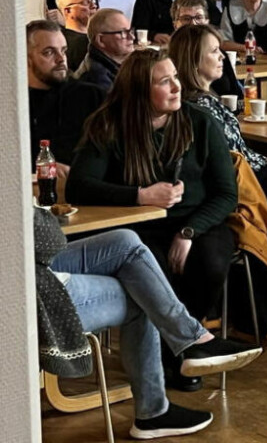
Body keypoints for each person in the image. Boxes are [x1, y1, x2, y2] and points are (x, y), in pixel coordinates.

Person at [66, 49, 239, 388]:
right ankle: (180, 353)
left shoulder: (200, 122)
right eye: (164, 81)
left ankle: (183, 349)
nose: (177, 86)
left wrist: (189, 232)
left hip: (198, 222)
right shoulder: (109, 125)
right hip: (138, 226)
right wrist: (139, 195)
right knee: (152, 269)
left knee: (212, 262)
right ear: (139, 91)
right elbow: (78, 187)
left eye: (175, 77)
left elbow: (226, 194)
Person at [36, 207, 261, 439]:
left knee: (126, 241)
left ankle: (192, 340)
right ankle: (154, 409)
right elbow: (47, 238)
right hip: (37, 288)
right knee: (142, 290)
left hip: (35, 266)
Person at [168, 25, 267, 286]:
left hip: (226, 182)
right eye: (214, 51)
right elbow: (232, 157)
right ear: (194, 61)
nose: (222, 56)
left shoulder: (194, 99)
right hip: (237, 189)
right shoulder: (203, 107)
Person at [26, 20, 104, 168]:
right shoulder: (15, 105)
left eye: (63, 50)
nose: (61, 59)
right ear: (26, 58)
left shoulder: (91, 95)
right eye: (49, 52)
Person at [171, 0, 242, 100]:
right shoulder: (170, 59)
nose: (193, 23)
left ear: (207, 21)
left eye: (199, 17)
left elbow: (238, 95)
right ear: (175, 24)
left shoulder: (220, 53)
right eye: (186, 19)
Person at [74, 8, 135, 91]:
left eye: (130, 31)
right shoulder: (97, 79)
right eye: (122, 33)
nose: (132, 37)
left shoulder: (113, 63)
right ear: (101, 40)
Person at [55, 0, 96, 70]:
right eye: (85, 2)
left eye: (93, 1)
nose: (93, 6)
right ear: (68, 11)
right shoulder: (81, 44)